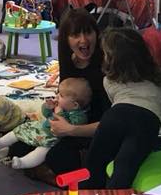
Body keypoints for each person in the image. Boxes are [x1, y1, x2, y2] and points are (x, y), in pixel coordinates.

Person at [9, 9, 109, 181]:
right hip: (67, 123)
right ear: (66, 40)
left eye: (88, 33)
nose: (83, 40)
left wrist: (71, 130)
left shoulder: (106, 64)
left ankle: (57, 172)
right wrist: (53, 110)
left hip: (94, 131)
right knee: (18, 147)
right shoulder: (69, 60)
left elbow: (111, 123)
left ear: (96, 34)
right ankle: (49, 170)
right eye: (76, 35)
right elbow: (63, 99)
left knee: (58, 158)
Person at [83, 28, 161, 189]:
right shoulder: (160, 77)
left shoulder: (109, 81)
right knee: (125, 166)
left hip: (116, 115)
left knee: (95, 160)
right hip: (147, 119)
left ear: (112, 60)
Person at [0, 78, 92, 169]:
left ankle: (24, 162)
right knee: (22, 128)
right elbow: (46, 114)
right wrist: (47, 107)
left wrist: (59, 112)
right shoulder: (61, 105)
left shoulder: (79, 116)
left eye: (61, 95)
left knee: (42, 151)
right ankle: (1, 142)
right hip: (42, 128)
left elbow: (71, 126)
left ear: (74, 105)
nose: (57, 96)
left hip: (53, 137)